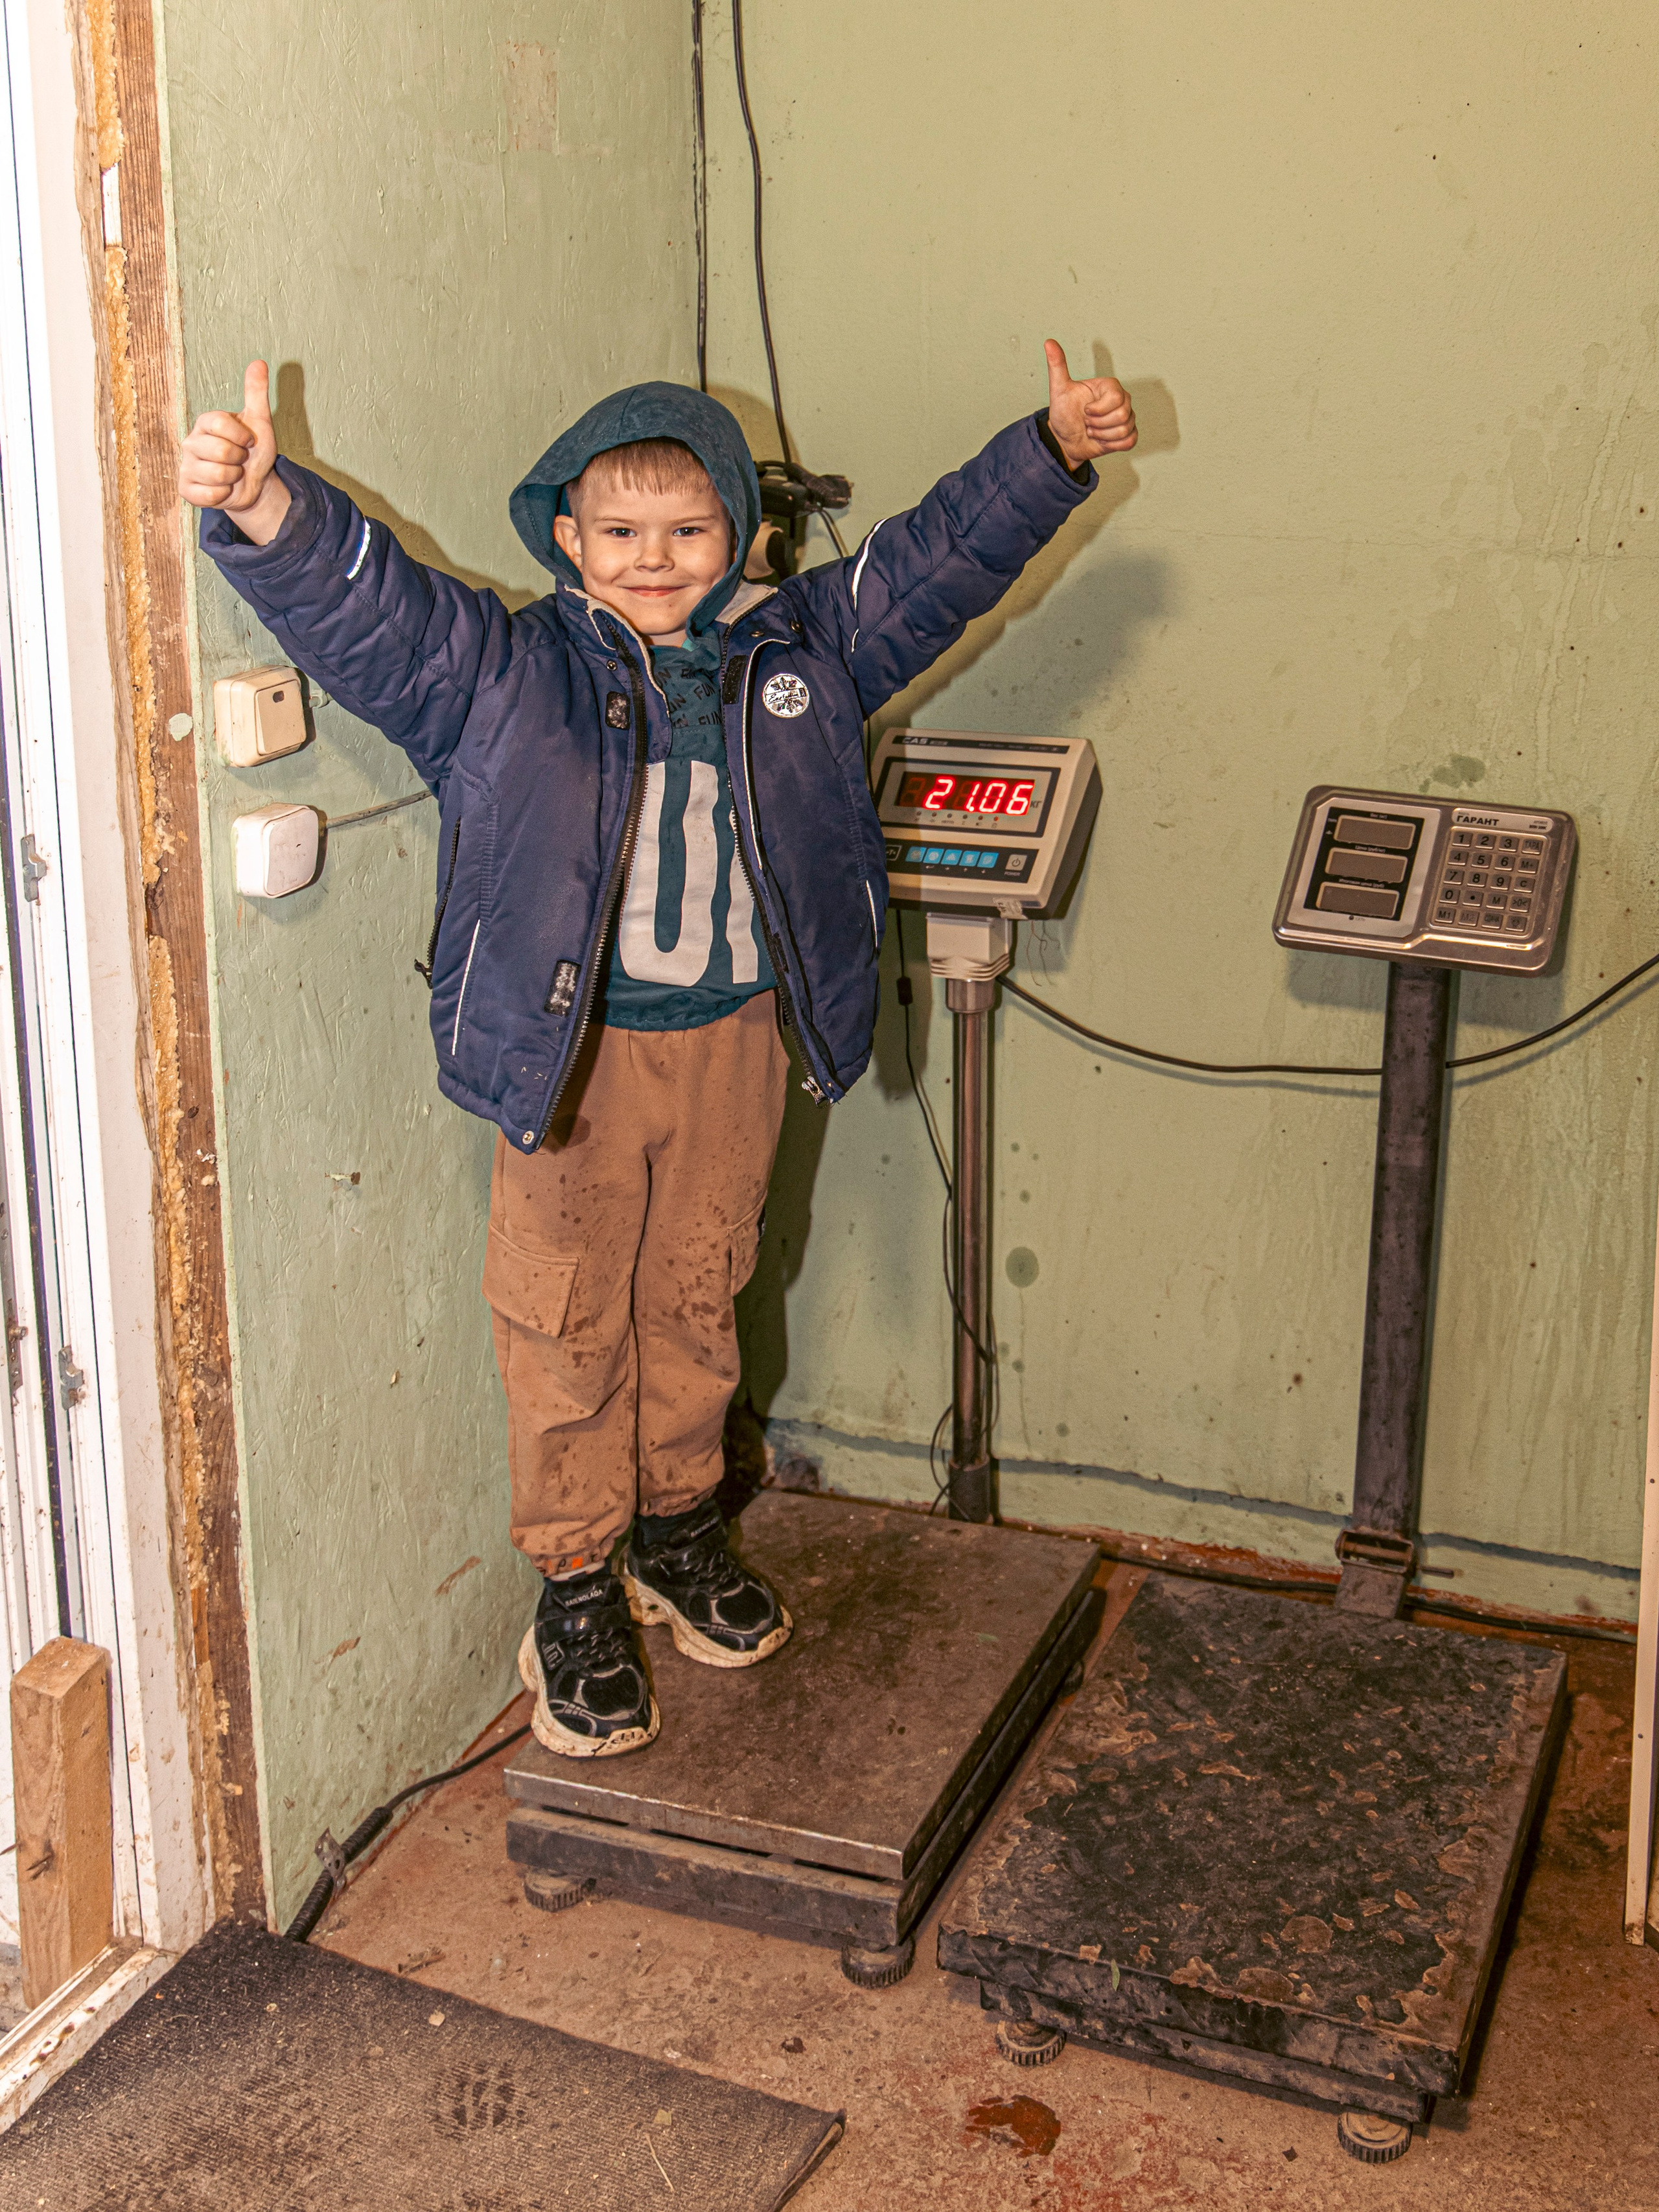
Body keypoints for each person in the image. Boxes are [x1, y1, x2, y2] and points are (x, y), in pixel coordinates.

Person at [178, 344, 1137, 1760]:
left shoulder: (804, 646)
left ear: (742, 535)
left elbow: (936, 562)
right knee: (564, 1322)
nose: (654, 559)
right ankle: (573, 1581)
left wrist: (1048, 452)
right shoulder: (501, 670)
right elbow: (371, 609)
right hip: (571, 1063)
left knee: (701, 1290)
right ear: (566, 539)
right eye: (619, 533)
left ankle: (676, 1530)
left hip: (738, 1040)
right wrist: (268, 507)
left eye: (689, 531)